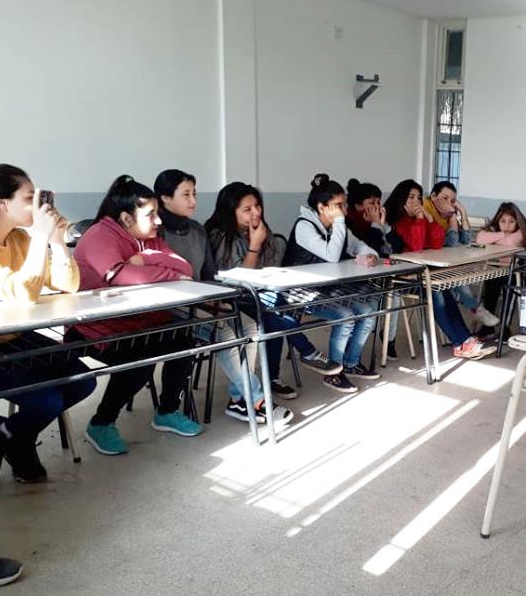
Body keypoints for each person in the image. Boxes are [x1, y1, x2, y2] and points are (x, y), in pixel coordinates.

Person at [0, 164, 95, 487]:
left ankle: (5, 432)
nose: (37, 205)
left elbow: (67, 285)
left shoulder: (19, 239)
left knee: (83, 381)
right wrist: (41, 236)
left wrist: (56, 241)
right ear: (2, 203)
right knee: (48, 401)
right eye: (29, 197)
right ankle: (18, 441)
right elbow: (22, 292)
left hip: (16, 336)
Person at [73, 175, 203, 456]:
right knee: (139, 361)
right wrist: (168, 273)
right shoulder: (100, 235)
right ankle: (101, 423)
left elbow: (186, 267)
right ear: (126, 218)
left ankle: (167, 412)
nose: (158, 221)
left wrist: (147, 259)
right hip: (96, 328)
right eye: (151, 214)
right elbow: (120, 274)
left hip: (140, 319)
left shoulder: (148, 239)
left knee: (183, 338)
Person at [154, 169, 291, 425]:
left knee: (250, 325)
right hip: (172, 305)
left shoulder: (196, 230)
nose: (193, 201)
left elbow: (208, 274)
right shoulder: (156, 232)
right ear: (165, 198)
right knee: (227, 331)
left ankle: (239, 399)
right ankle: (257, 399)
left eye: (194, 194)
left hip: (202, 299)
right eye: (186, 195)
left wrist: (213, 297)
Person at [206, 182, 339, 400]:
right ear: (231, 212)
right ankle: (305, 352)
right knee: (273, 309)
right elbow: (238, 280)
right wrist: (254, 245)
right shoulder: (221, 236)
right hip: (231, 299)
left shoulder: (259, 230)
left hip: (260, 296)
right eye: (247, 209)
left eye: (257, 206)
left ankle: (276, 376)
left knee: (274, 310)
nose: (256, 212)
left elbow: (270, 268)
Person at [284, 179, 381, 394]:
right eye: (338, 205)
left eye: (344, 204)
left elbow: (359, 246)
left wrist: (371, 255)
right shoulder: (304, 226)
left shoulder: (338, 226)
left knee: (368, 310)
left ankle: (351, 363)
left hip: (326, 288)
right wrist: (339, 223)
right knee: (345, 315)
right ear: (322, 207)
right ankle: (333, 373)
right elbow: (332, 255)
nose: (344, 210)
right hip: (301, 291)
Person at [385, 179, 494, 359]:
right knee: (436, 294)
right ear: (401, 198)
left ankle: (465, 340)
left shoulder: (419, 218)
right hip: (402, 277)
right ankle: (460, 342)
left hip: (422, 274)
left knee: (443, 290)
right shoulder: (397, 221)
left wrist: (429, 219)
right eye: (411, 197)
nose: (416, 201)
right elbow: (416, 246)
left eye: (418, 197)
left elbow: (436, 243)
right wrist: (421, 219)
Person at [423, 181, 498, 327]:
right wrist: (452, 216)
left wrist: (462, 212)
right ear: (433, 196)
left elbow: (466, 240)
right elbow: (452, 242)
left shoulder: (444, 214)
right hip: (426, 265)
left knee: (457, 275)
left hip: (441, 263)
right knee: (454, 276)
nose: (448, 203)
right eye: (445, 198)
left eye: (452, 201)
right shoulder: (427, 211)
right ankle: (476, 309)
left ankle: (475, 309)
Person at [347, 179, 405, 359]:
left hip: (377, 275)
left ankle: (388, 339)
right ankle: (356, 346)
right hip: (355, 279)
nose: (377, 207)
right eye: (371, 203)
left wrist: (384, 226)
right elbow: (368, 248)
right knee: (373, 304)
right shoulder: (350, 222)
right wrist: (375, 225)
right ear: (358, 205)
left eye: (379, 202)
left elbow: (397, 247)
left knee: (394, 295)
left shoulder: (378, 222)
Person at [474, 201, 526, 338]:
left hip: (524, 272)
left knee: (510, 283)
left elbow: (510, 242)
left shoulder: (524, 230)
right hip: (502, 270)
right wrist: (502, 234)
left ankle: (505, 328)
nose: (507, 226)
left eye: (511, 221)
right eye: (503, 221)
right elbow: (479, 239)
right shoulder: (498, 230)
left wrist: (493, 239)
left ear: (517, 221)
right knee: (490, 280)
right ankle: (488, 326)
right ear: (498, 221)